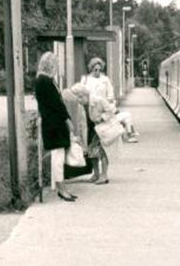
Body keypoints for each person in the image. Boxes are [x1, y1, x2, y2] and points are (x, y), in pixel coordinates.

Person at [34, 51, 77, 202]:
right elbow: (57, 104)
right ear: (50, 65)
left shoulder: (41, 80)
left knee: (57, 156)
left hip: (51, 122)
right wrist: (68, 120)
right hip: (54, 124)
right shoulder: (46, 81)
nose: (57, 67)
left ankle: (59, 187)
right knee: (58, 157)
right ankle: (61, 189)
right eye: (55, 64)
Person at [82, 57, 139, 141]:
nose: (97, 72)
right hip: (92, 109)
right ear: (91, 69)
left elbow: (110, 94)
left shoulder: (105, 79)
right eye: (95, 70)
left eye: (99, 70)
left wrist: (110, 103)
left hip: (105, 107)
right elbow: (83, 94)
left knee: (124, 115)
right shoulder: (86, 80)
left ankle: (128, 134)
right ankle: (128, 135)